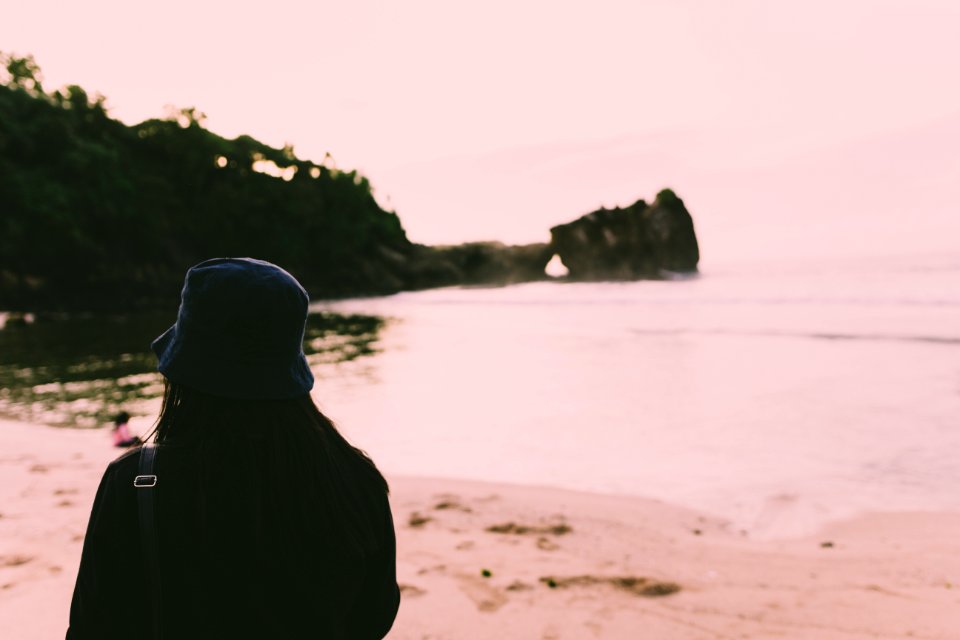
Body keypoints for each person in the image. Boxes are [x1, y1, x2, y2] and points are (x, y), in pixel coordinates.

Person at [67, 258, 400, 639]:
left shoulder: (137, 485)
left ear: (184, 370)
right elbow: (374, 618)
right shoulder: (355, 480)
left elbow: (91, 628)